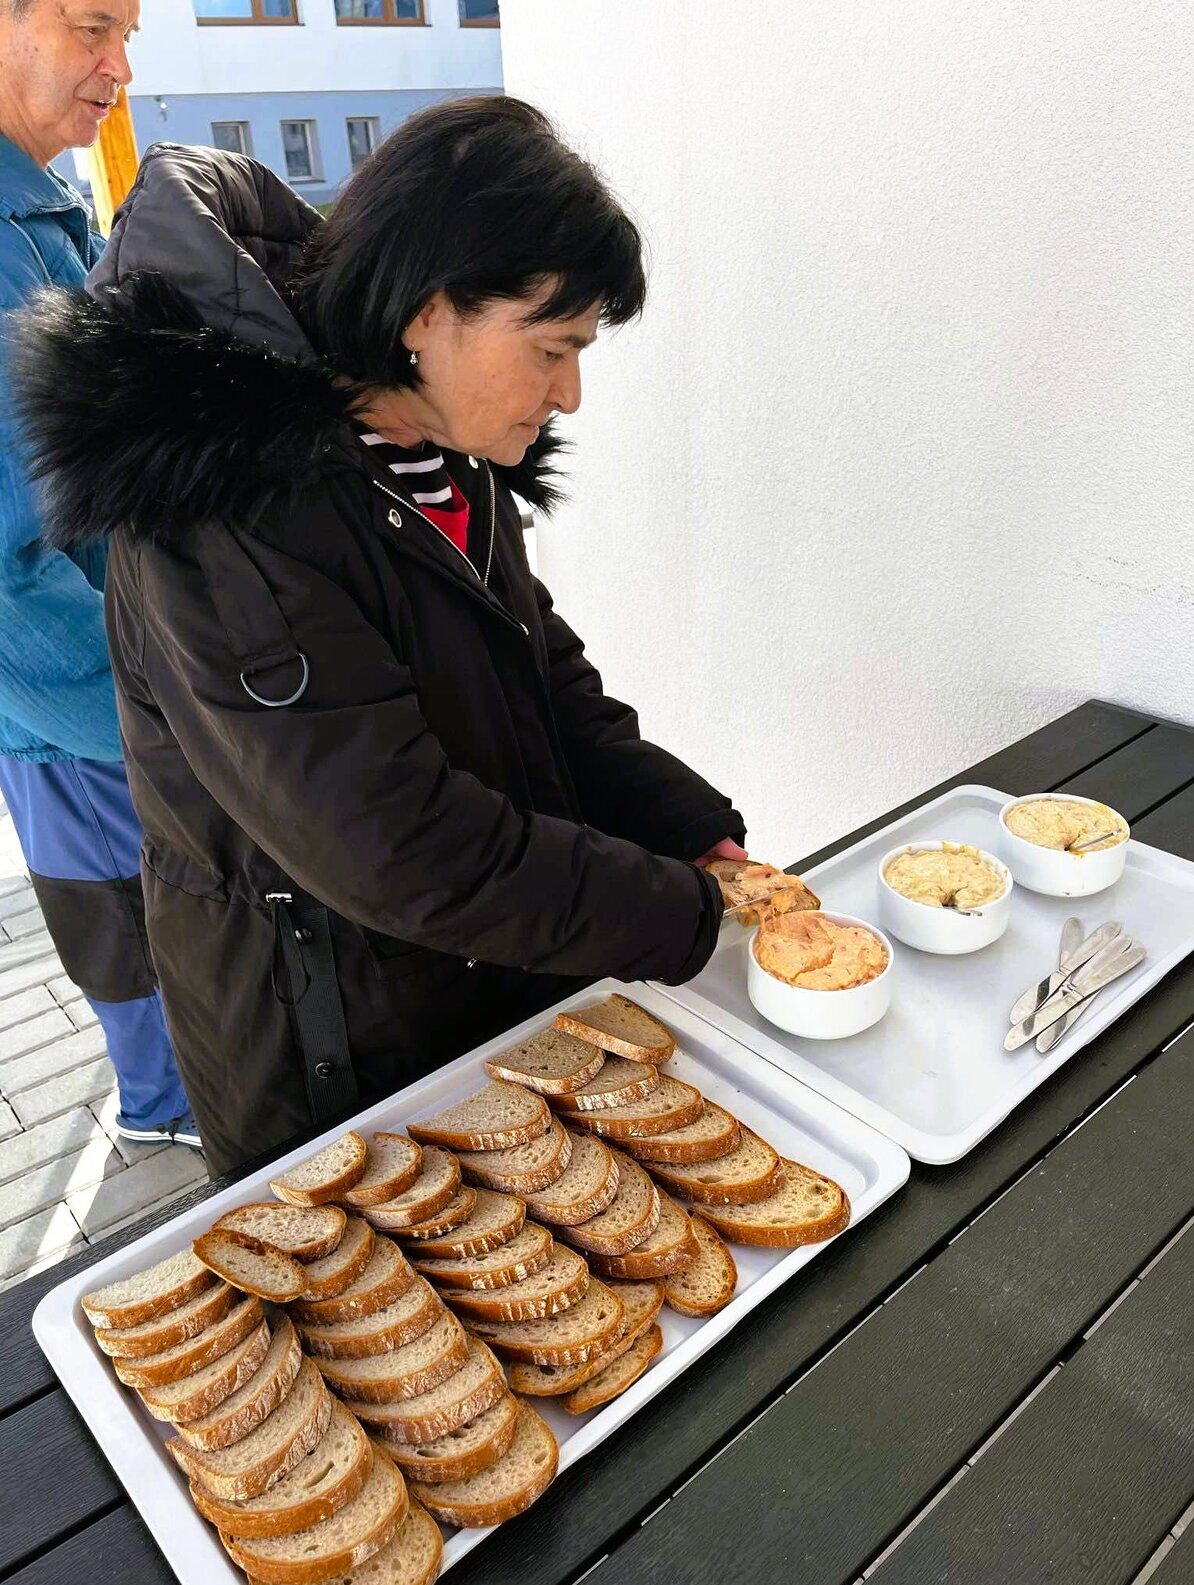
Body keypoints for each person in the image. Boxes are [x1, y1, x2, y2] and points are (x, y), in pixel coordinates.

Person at [14, 97, 746, 1177]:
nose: (570, 394)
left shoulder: (443, 445)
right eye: (552, 348)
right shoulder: (228, 508)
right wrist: (679, 913)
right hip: (326, 1050)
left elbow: (542, 672)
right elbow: (392, 838)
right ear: (428, 310)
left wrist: (686, 823)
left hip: (468, 988)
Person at [0, 0, 198, 1148]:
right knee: (140, 952)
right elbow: (7, 574)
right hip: (80, 700)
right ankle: (174, 1122)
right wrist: (158, 705)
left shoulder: (39, 202)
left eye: (127, 32)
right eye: (90, 26)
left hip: (109, 674)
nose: (119, 64)